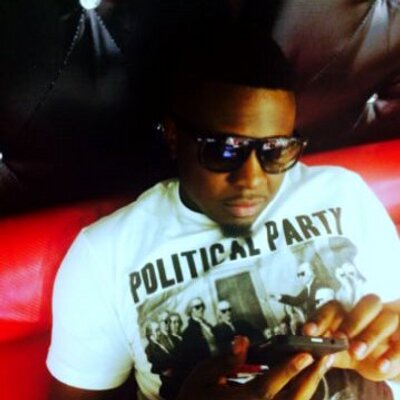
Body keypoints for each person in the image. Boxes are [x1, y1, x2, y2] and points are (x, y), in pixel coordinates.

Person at [46, 23, 400, 400]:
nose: (252, 179)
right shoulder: (105, 255)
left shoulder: (343, 194)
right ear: (173, 135)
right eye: (225, 150)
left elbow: (390, 330)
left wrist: (387, 356)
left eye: (275, 150)